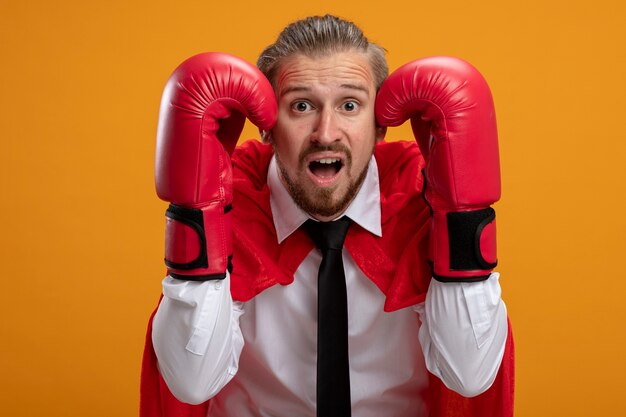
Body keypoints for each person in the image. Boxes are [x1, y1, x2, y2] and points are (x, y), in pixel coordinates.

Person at [140, 14, 514, 417]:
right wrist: (198, 213)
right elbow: (189, 384)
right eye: (301, 106)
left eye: (350, 105)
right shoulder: (232, 203)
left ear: (380, 126)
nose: (325, 132)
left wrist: (459, 215)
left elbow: (471, 376)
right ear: (266, 127)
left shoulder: (419, 201)